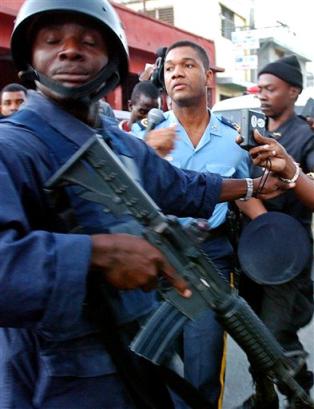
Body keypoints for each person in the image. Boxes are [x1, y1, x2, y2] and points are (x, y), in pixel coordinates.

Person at [0, 1, 289, 408]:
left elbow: (179, 187)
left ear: (112, 61)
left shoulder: (115, 142)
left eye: (88, 41)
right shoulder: (11, 147)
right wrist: (94, 255)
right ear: (30, 59)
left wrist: (251, 185)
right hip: (60, 382)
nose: (69, 50)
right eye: (52, 41)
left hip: (136, 360)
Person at [133, 39, 267, 409]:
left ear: (207, 76)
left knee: (203, 368)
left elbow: (246, 191)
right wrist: (145, 152)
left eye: (187, 65)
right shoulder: (145, 138)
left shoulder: (234, 138)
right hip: (153, 257)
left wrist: (272, 238)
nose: (176, 71)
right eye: (170, 67)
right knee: (153, 364)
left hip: (209, 259)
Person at [236, 56, 314, 409]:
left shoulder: (305, 138)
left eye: (271, 88)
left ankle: (298, 391)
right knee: (252, 334)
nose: (262, 95)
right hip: (253, 249)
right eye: (260, 88)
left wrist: (291, 175)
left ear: (293, 91)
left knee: (274, 332)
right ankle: (264, 395)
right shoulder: (255, 130)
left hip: (287, 253)